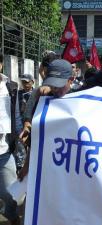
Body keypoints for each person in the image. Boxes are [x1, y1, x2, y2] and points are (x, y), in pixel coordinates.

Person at [18, 59, 74, 180]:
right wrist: (26, 166)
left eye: (59, 85)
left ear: (71, 80)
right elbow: (37, 142)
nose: (55, 89)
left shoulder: (83, 98)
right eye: (52, 85)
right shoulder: (42, 97)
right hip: (46, 167)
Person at [0, 53, 21, 225]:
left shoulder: (10, 87)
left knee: (11, 192)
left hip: (4, 150)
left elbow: (16, 115)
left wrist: (20, 133)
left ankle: (12, 216)